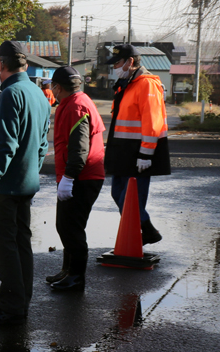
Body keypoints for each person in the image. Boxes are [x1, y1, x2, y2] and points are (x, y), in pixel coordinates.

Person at [0, 41, 51, 326]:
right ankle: (20, 300)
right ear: (26, 65)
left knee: (5, 247)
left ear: (1, 65)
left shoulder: (10, 95)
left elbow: (5, 144)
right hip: (26, 182)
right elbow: (42, 144)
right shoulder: (37, 93)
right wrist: (31, 170)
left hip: (5, 186)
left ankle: (11, 306)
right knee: (21, 244)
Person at [103, 43, 170, 244]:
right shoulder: (128, 84)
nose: (114, 67)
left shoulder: (146, 84)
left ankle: (145, 232)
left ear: (130, 62)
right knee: (118, 194)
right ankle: (147, 231)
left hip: (137, 153)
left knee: (131, 199)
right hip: (122, 151)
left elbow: (153, 120)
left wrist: (146, 154)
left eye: (117, 63)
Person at [46, 66, 105, 292]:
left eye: (53, 87)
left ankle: (76, 277)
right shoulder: (75, 101)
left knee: (71, 228)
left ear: (58, 87)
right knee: (65, 225)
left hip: (82, 176)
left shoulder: (76, 106)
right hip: (79, 175)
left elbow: (79, 148)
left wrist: (69, 177)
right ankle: (68, 270)